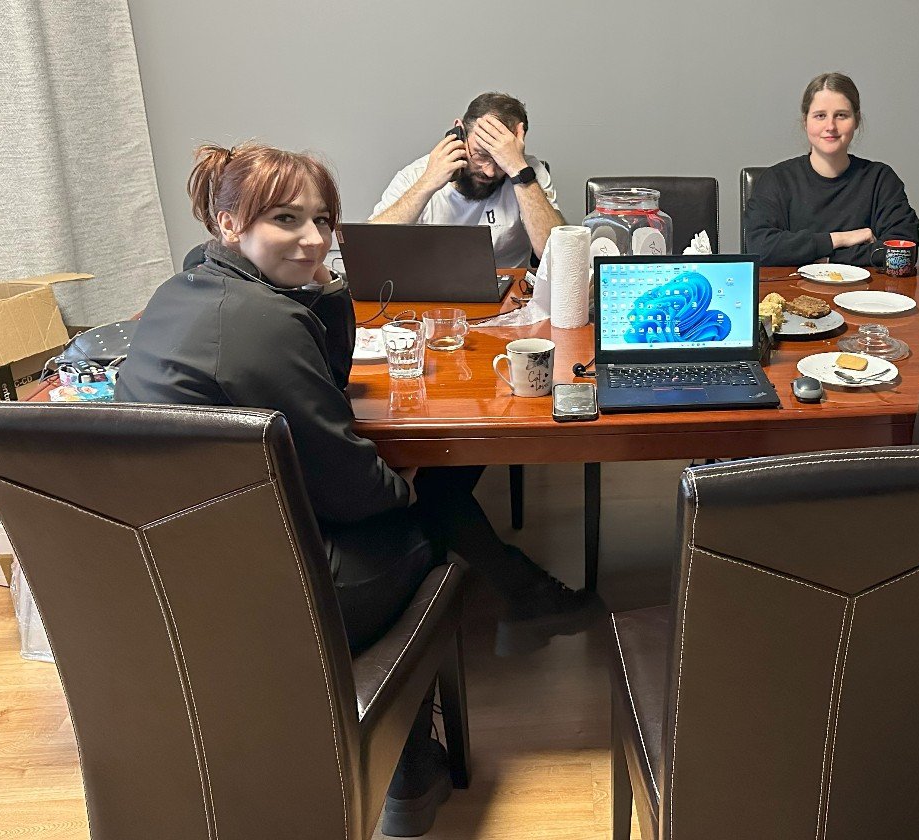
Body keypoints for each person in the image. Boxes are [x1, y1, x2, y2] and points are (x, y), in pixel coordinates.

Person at [116, 143, 596, 835]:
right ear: (229, 222)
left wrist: (325, 294)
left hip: (175, 573)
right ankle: (410, 768)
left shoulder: (181, 290)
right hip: (276, 591)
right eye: (286, 219)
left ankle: (526, 596)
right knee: (436, 508)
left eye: (322, 220)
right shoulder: (263, 325)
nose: (314, 240)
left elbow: (322, 409)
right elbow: (355, 489)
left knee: (435, 490)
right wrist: (405, 484)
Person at [744, 72, 919, 267]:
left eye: (841, 115)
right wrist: (839, 239)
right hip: (793, 286)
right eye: (820, 116)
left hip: (865, 287)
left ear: (856, 120)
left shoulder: (881, 180)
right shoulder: (776, 180)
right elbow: (759, 248)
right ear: (805, 121)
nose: (830, 126)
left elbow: (902, 253)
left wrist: (828, 258)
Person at [371, 92, 564, 267]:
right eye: (480, 155)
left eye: (500, 159)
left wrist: (517, 169)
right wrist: (427, 183)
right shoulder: (416, 174)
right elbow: (372, 248)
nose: (489, 171)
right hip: (429, 289)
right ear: (459, 133)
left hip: (510, 290)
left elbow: (559, 257)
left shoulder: (527, 172)